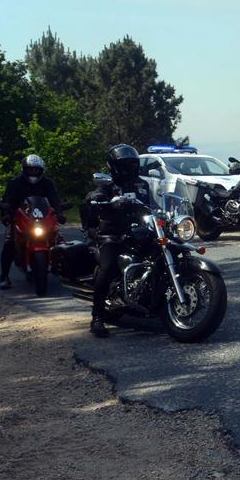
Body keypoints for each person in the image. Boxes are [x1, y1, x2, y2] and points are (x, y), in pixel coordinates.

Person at [81, 144, 153, 337]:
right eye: (125, 165)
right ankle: (97, 317)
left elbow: (150, 206)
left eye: (132, 164)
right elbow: (93, 197)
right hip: (111, 234)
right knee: (108, 266)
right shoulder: (107, 185)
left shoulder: (142, 185)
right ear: (114, 166)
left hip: (138, 231)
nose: (129, 169)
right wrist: (98, 200)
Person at [0, 154, 64, 290]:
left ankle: (60, 267)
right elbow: (7, 200)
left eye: (36, 169)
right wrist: (6, 214)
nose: (33, 172)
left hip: (42, 218)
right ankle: (4, 276)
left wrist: (60, 212)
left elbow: (55, 199)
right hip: (19, 217)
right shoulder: (15, 182)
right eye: (30, 169)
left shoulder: (47, 182)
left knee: (58, 237)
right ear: (24, 169)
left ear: (41, 170)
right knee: (9, 242)